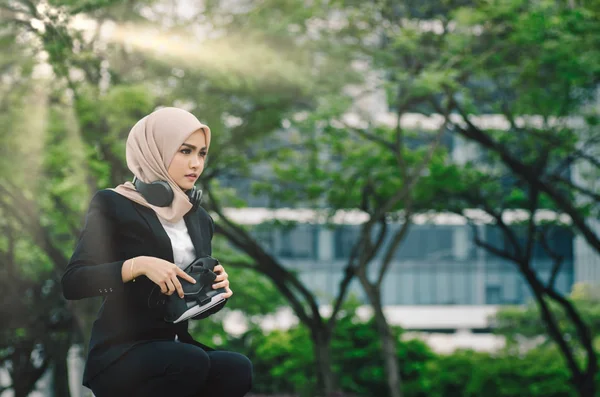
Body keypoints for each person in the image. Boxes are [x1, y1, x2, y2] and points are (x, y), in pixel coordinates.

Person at [61, 107, 253, 397]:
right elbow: (73, 282)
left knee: (237, 368)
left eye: (201, 153)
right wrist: (136, 266)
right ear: (155, 151)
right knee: (190, 362)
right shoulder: (113, 204)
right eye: (185, 151)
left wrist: (215, 292)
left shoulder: (199, 219)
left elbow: (188, 306)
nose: (196, 163)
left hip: (176, 349)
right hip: (121, 353)